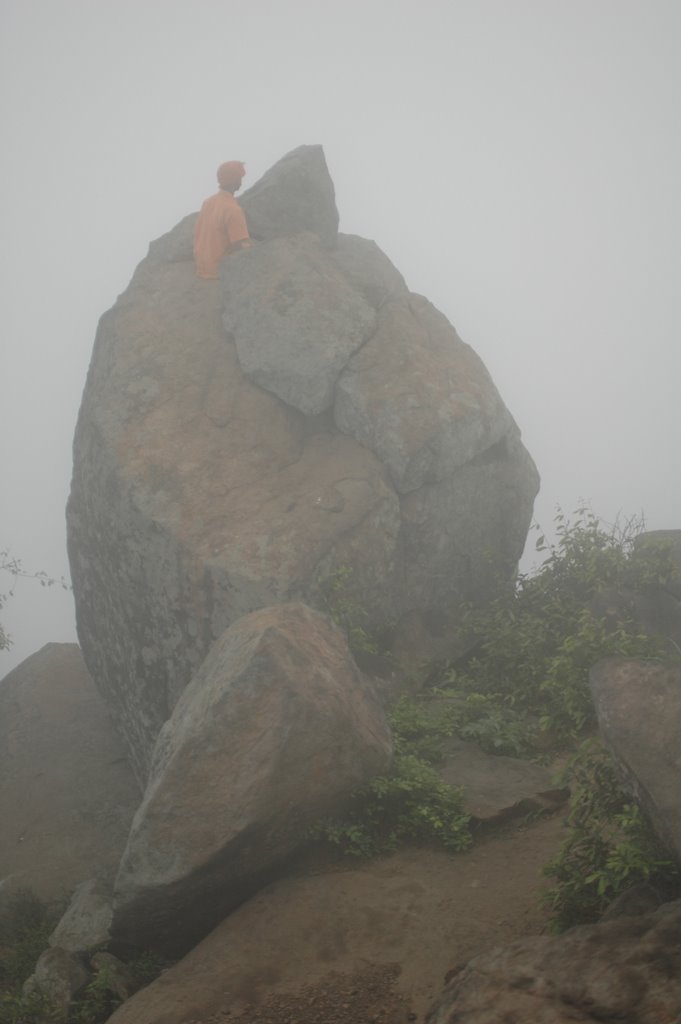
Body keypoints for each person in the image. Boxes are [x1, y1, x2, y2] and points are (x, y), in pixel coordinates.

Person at [193, 161, 251, 279]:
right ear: (235, 182)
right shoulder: (233, 209)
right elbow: (241, 246)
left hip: (203, 269)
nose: (241, 181)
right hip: (219, 273)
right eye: (240, 178)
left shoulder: (207, 202)